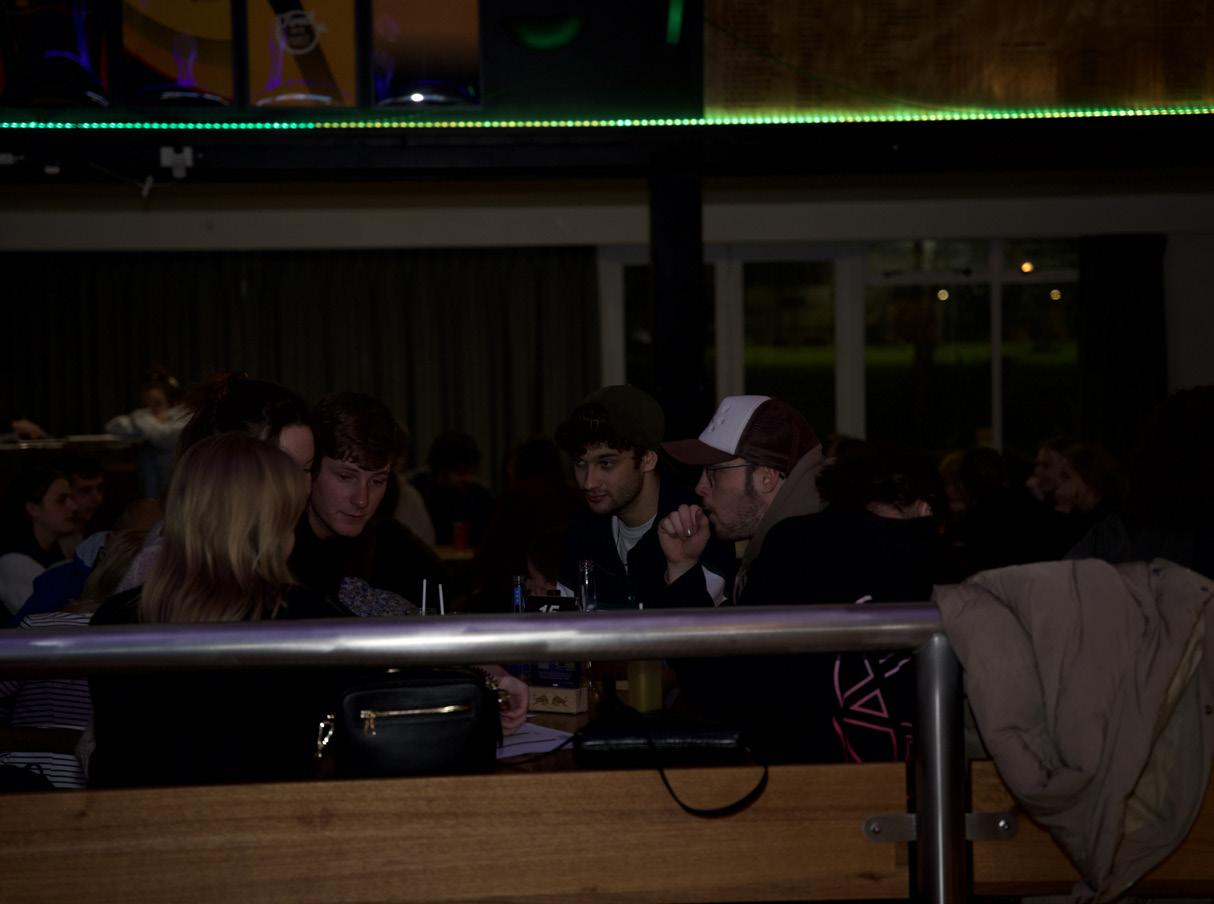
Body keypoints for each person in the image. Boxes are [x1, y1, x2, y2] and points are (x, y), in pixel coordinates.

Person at [88, 433, 350, 788]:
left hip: (135, 819)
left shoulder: (114, 620)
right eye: (291, 517)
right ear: (272, 524)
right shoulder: (307, 622)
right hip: (270, 817)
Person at [653, 394, 827, 761]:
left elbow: (719, 695)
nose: (700, 487)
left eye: (714, 472)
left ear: (766, 477)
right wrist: (683, 565)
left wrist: (683, 575)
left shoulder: (796, 559)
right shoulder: (793, 544)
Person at [554, 385, 734, 609]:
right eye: (580, 463)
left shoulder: (696, 527)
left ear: (647, 460)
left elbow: (703, 625)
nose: (589, 482)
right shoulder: (583, 531)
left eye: (606, 463)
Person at [290, 392, 447, 616]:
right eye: (345, 477)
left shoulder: (398, 550)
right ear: (309, 471)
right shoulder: (274, 557)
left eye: (377, 481)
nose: (362, 499)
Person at [0, 465, 78, 615]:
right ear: (33, 508)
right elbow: (43, 618)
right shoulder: (13, 563)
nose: (73, 507)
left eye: (71, 498)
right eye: (61, 500)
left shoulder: (55, 553)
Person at [104, 367, 190, 498]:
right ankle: (150, 501)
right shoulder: (145, 417)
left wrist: (143, 419)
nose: (151, 409)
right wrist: (147, 418)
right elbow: (113, 426)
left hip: (178, 481)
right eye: (147, 404)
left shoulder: (183, 416)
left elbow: (164, 437)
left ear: (171, 400)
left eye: (157, 403)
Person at [410, 431, 495, 547]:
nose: (467, 478)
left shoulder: (480, 496)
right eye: (460, 472)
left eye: (471, 472)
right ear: (440, 470)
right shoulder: (417, 492)